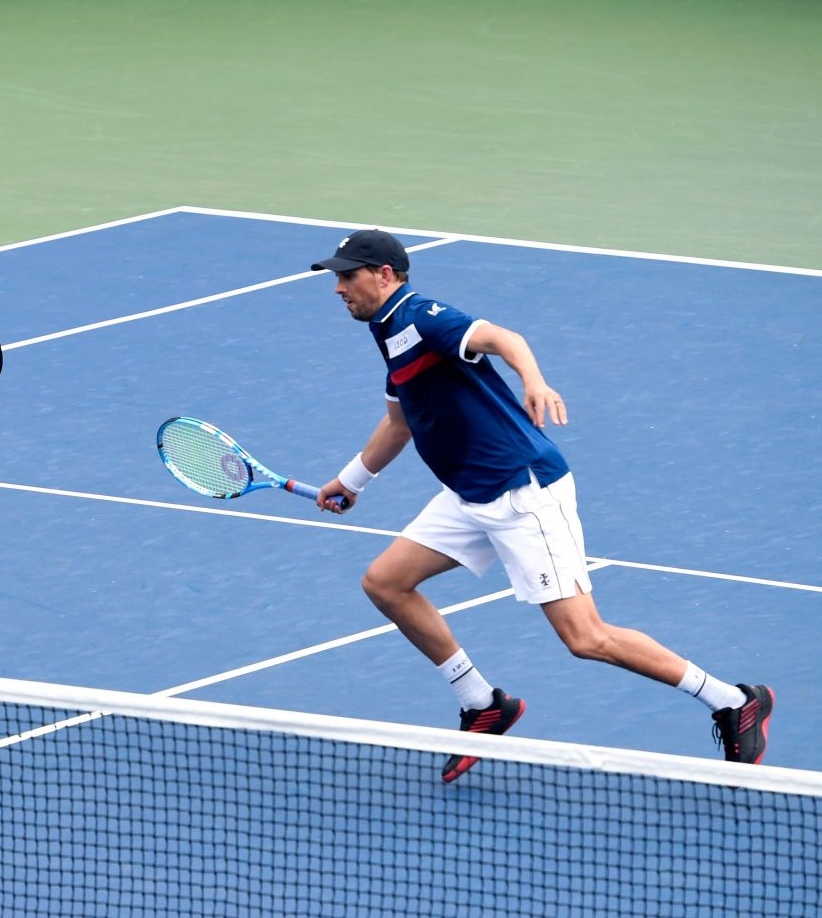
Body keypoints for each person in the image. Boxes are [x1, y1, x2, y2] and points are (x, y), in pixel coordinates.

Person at [311, 229, 773, 781]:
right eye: (337, 276)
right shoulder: (389, 334)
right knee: (385, 582)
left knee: (587, 638)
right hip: (469, 493)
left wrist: (533, 380)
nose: (339, 287)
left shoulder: (424, 316)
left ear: (385, 274)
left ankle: (733, 700)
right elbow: (399, 421)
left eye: (348, 275)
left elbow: (506, 337)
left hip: (521, 491)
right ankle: (484, 703)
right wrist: (351, 480)